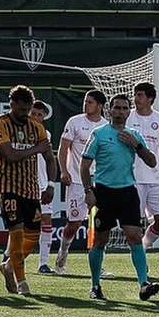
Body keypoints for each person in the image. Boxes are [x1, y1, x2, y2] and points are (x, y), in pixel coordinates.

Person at [80, 94, 159, 302]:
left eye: (125, 109)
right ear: (110, 111)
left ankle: (144, 284)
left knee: (134, 236)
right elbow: (85, 164)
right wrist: (89, 191)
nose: (120, 112)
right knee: (100, 241)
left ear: (128, 112)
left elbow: (152, 162)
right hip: (104, 193)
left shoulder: (134, 135)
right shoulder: (99, 134)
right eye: (117, 108)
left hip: (127, 192)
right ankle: (95, 285)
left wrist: (137, 145)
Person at [0, 86, 56, 295]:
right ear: (11, 105)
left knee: (33, 236)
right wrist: (37, 149)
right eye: (20, 109)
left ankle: (9, 265)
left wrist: (51, 185)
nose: (24, 114)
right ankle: (22, 281)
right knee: (16, 234)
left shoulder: (36, 128)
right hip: (8, 187)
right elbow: (9, 155)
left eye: (27, 110)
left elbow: (50, 157)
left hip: (32, 188)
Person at [54, 89, 106, 274]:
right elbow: (63, 148)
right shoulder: (75, 122)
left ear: (100, 106)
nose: (86, 104)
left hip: (100, 181)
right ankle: (62, 255)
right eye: (85, 101)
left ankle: (98, 265)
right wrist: (64, 171)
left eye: (90, 102)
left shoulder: (106, 126)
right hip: (77, 180)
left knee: (100, 223)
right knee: (74, 224)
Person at [131, 82, 159, 249]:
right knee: (133, 223)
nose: (136, 98)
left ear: (150, 98)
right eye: (135, 94)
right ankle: (138, 257)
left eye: (140, 95)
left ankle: (144, 246)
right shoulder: (128, 117)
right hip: (133, 178)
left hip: (156, 179)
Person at [29, 100, 57, 274]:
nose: (37, 117)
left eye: (40, 115)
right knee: (20, 223)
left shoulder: (45, 134)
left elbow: (48, 159)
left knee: (46, 220)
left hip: (42, 183)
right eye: (34, 113)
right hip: (23, 184)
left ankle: (43, 263)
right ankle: (9, 255)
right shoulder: (18, 131)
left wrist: (50, 184)